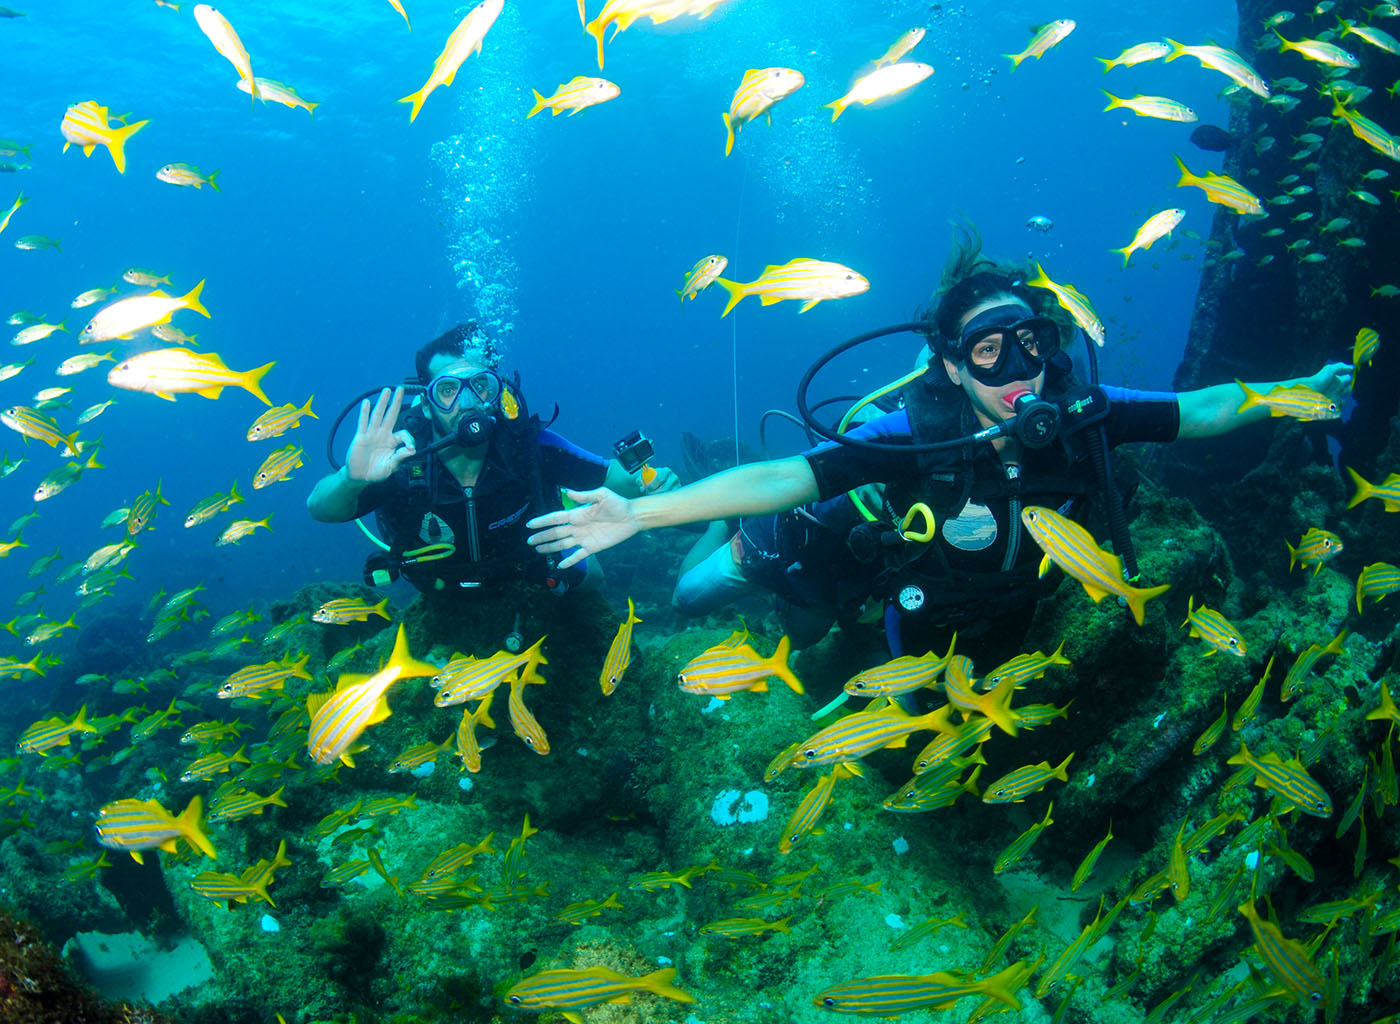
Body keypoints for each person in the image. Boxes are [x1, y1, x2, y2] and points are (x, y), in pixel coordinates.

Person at [526, 231, 1352, 661]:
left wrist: (1298, 392)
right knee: (692, 600)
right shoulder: (908, 433)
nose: (1016, 370)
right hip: (840, 545)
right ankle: (722, 539)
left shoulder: (1083, 410)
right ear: (951, 367)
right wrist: (641, 512)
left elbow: (1201, 410)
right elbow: (787, 473)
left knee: (811, 638)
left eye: (1028, 342)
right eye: (988, 353)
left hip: (968, 599)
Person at [308, 322, 678, 598]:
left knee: (590, 576)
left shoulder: (529, 445)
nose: (467, 405)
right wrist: (350, 479)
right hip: (439, 584)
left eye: (480, 386)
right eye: (449, 390)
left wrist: (648, 482)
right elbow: (321, 509)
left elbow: (608, 476)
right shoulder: (401, 456)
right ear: (426, 398)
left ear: (497, 391)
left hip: (528, 570)